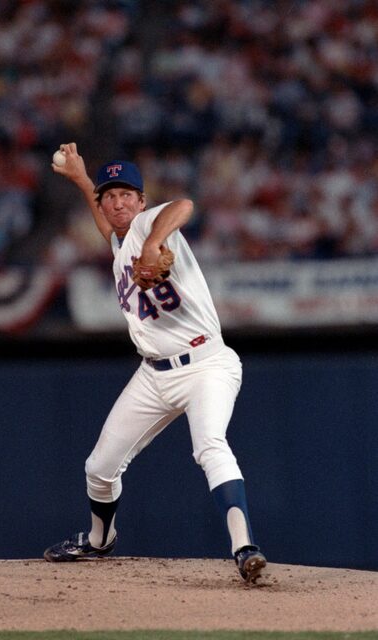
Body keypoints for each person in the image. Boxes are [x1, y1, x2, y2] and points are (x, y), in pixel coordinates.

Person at [43, 142, 267, 583]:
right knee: (99, 469)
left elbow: (183, 205)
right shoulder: (118, 239)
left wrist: (156, 242)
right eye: (110, 196)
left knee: (209, 446)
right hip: (153, 372)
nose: (117, 201)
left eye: (127, 193)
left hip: (206, 364)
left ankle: (244, 546)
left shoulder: (148, 224)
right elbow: (107, 225)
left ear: (141, 201)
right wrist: (83, 181)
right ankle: (99, 539)